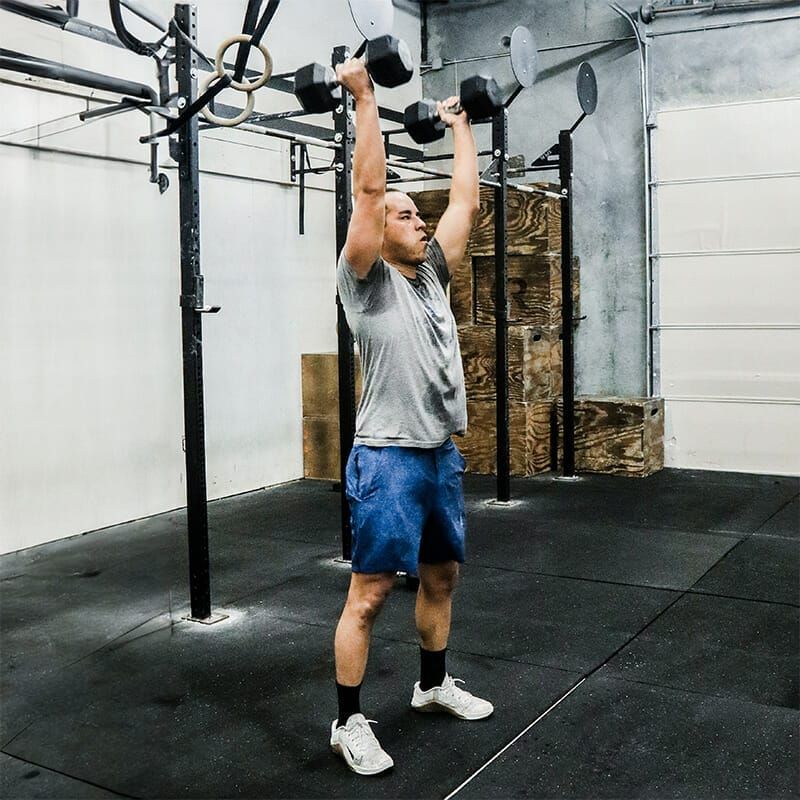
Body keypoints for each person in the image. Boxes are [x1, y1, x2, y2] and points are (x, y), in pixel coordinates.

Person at [330, 57, 493, 777]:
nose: (418, 221)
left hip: (437, 454)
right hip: (388, 456)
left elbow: (467, 205)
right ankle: (347, 722)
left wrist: (462, 128)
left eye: (416, 214)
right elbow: (368, 192)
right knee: (368, 597)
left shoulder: (432, 276)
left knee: (442, 579)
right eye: (406, 214)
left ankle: (431, 686)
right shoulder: (365, 283)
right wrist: (365, 100)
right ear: (378, 230)